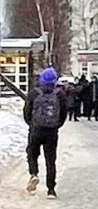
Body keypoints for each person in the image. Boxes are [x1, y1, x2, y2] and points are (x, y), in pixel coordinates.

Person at [22, 69, 67, 197]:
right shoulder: (60, 94)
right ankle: (51, 189)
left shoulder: (34, 93)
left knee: (32, 153)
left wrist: (32, 124)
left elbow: (26, 111)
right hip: (51, 132)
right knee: (50, 160)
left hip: (36, 130)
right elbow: (63, 113)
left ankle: (34, 173)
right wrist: (57, 125)